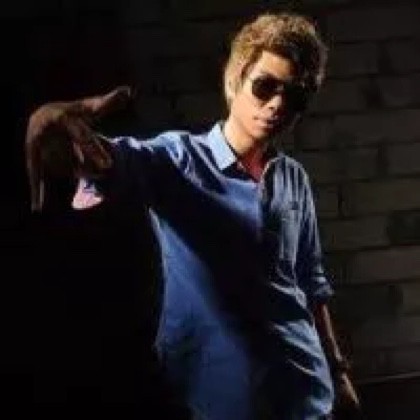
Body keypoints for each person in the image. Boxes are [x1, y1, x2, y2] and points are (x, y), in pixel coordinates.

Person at [26, 12, 360, 420]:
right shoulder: (177, 159)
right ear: (234, 81)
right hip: (219, 400)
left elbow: (310, 282)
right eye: (265, 86)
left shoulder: (293, 178)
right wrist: (61, 138)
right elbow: (106, 162)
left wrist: (338, 372)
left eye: (295, 96)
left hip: (305, 395)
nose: (277, 104)